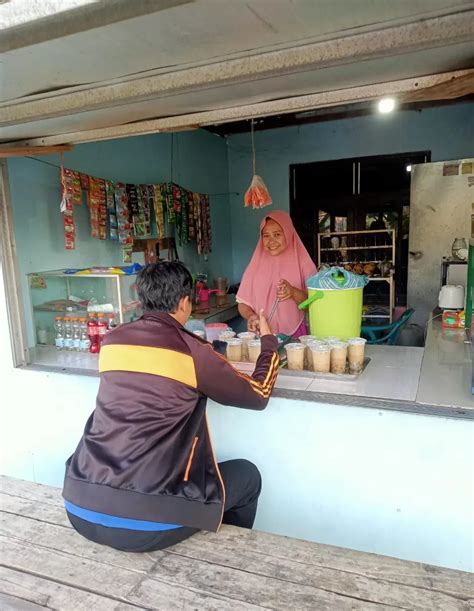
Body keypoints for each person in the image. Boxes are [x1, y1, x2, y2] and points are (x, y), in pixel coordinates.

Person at [62, 262, 279, 552]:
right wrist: (269, 343)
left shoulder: (112, 342)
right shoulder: (191, 351)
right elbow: (258, 394)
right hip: (146, 526)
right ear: (184, 301)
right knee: (248, 476)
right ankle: (226, 558)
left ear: (142, 299)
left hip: (79, 506)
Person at [237, 210, 317, 337]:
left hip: (294, 336)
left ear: (288, 234)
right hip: (261, 335)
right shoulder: (255, 265)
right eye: (266, 236)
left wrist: (293, 292)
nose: (271, 241)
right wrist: (251, 316)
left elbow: (315, 305)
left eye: (277, 234)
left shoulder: (304, 264)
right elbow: (243, 303)